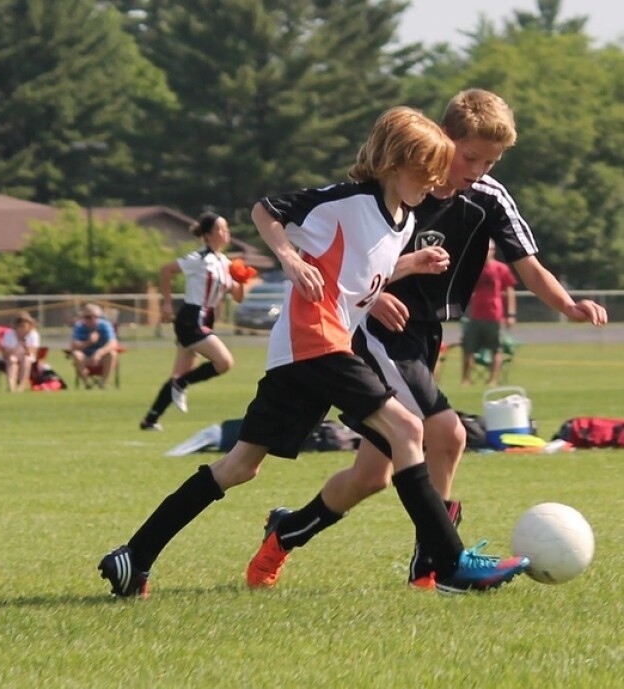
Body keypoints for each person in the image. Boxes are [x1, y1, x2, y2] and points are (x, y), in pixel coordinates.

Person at [98, 106, 529, 599]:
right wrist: (289, 259)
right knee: (409, 429)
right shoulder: (347, 200)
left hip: (304, 353)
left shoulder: (403, 219)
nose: (434, 182)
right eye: (425, 171)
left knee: (240, 467)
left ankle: (134, 556)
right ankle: (448, 564)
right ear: (394, 163)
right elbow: (266, 210)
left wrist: (410, 265)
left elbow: (359, 277)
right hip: (316, 341)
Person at [247, 89, 609, 591]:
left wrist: (567, 305)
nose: (478, 170)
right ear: (443, 140)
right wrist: (373, 295)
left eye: (490, 161)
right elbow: (352, 258)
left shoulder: (488, 198)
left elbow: (527, 264)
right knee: (448, 433)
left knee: (371, 476)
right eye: (470, 157)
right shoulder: (401, 185)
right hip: (377, 332)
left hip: (423, 336)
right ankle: (437, 565)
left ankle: (285, 532)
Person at [140, 212, 252, 430]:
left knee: (179, 373)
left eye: (226, 228)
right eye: (220, 229)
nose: (225, 232)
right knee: (224, 363)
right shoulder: (199, 259)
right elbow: (166, 270)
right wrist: (166, 304)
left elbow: (238, 297)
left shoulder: (225, 262)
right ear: (207, 235)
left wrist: (241, 280)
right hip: (191, 318)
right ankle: (180, 384)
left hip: (206, 318)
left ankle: (150, 419)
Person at [460, 240, 517, 385]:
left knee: (496, 349)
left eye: (488, 249)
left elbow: (510, 291)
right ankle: (466, 379)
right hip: (475, 315)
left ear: (493, 251)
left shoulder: (501, 268)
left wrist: (511, 314)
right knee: (468, 348)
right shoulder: (474, 268)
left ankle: (493, 380)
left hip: (494, 316)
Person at [69, 303, 119, 389]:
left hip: (102, 357)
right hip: (86, 356)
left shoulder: (105, 325)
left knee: (112, 354)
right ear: (83, 317)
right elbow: (74, 345)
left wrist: (99, 353)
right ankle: (87, 384)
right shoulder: (79, 326)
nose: (91, 320)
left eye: (95, 317)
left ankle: (103, 383)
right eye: (87, 317)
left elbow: (113, 343)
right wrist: (89, 342)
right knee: (76, 354)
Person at [0, 311, 41, 393]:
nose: (24, 329)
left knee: (26, 359)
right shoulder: (9, 334)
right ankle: (11, 386)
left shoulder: (33, 334)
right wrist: (17, 343)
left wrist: (24, 344)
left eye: (25, 326)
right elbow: (5, 352)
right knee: (12, 360)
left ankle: (21, 386)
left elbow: (32, 351)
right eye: (21, 326)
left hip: (26, 357)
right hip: (11, 356)